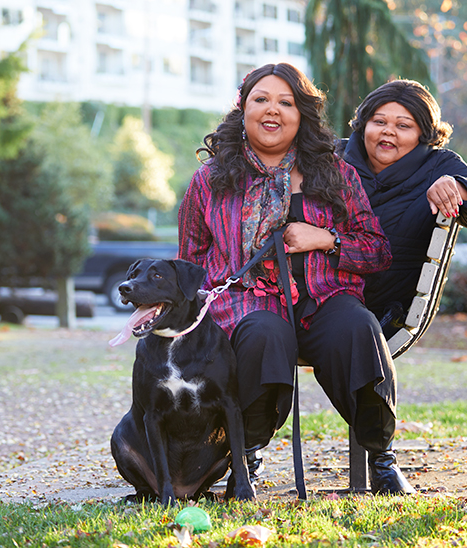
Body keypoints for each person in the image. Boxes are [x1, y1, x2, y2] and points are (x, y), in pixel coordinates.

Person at [178, 63, 415, 495]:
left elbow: (377, 251)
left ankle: (381, 457)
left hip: (325, 299)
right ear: (243, 109)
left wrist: (324, 238)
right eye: (261, 99)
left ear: (301, 114)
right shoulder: (209, 182)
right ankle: (246, 455)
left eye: (286, 102)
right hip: (248, 308)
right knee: (264, 333)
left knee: (358, 328)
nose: (273, 111)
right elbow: (191, 264)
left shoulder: (335, 174)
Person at [339, 79, 467, 331]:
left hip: (381, 310)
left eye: (403, 125)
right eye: (379, 122)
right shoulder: (332, 157)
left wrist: (460, 187)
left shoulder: (438, 166)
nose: (388, 131)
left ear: (423, 133)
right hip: (315, 295)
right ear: (364, 123)